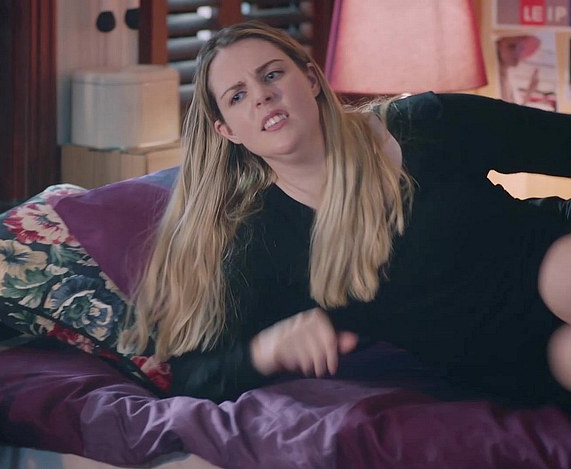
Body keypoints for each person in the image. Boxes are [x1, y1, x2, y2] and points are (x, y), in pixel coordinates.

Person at [122, 21, 571, 408]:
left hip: (546, 258)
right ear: (227, 131)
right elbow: (192, 374)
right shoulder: (263, 238)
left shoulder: (427, 122)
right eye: (238, 96)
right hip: (510, 358)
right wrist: (265, 351)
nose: (262, 96)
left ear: (311, 79)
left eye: (272, 74)